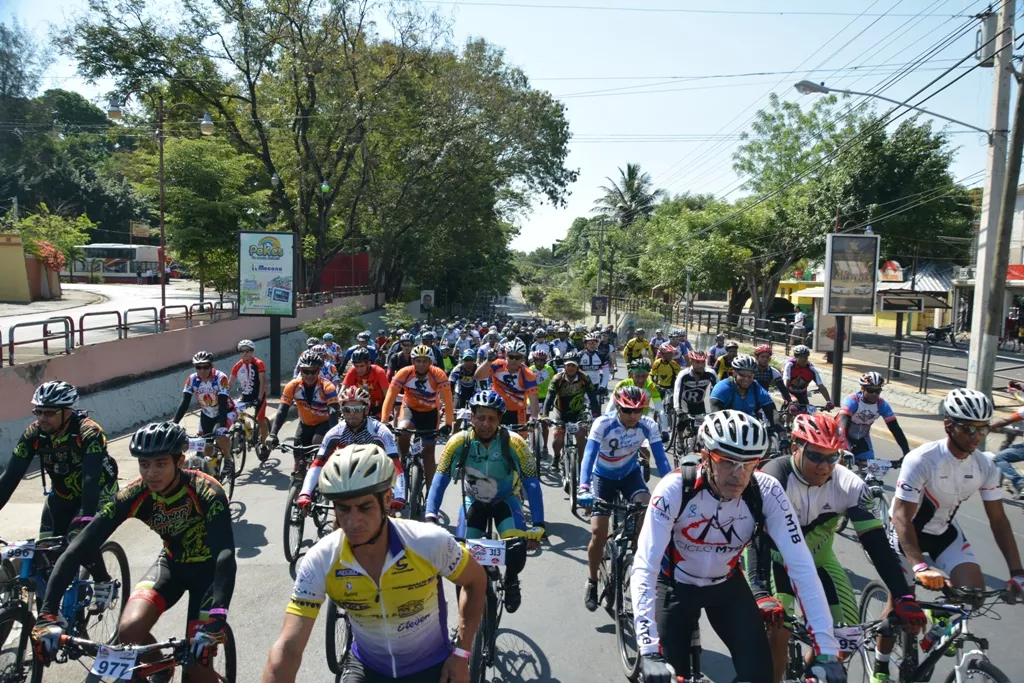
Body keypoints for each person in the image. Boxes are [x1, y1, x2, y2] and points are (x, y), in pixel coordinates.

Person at [632, 411, 845, 683]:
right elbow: (645, 566)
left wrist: (827, 651)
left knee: (760, 676)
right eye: (727, 462)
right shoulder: (675, 488)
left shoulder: (766, 490)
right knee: (666, 676)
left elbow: (802, 566)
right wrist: (649, 649)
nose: (739, 474)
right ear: (706, 456)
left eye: (749, 463)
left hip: (726, 586)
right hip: (675, 586)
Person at [262, 444, 488, 683]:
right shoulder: (321, 559)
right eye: (343, 508)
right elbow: (288, 647)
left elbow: (476, 580)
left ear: (387, 500)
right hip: (368, 667)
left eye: (365, 507)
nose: (352, 521)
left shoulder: (428, 542)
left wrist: (462, 654)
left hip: (430, 665)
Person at [33, 422, 236, 683]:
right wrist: (47, 613)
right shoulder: (135, 493)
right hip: (172, 565)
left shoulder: (207, 491)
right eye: (144, 464)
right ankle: (161, 669)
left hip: (210, 574)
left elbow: (225, 555)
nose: (151, 473)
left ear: (179, 461)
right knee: (128, 630)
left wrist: (217, 617)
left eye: (160, 464)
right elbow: (79, 548)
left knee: (197, 666)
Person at [750, 412, 925, 683]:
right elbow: (756, 539)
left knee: (847, 636)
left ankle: (810, 670)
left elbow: (877, 543)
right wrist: (760, 589)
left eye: (833, 457)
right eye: (816, 456)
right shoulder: (774, 477)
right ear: (796, 447)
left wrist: (903, 596)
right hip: (775, 561)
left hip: (820, 561)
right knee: (778, 630)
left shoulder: (849, 485)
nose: (824, 466)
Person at [882, 388, 1024, 680]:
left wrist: (1017, 572)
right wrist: (920, 566)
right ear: (949, 425)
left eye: (983, 428)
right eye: (969, 428)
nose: (976, 435)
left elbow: (998, 521)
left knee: (974, 595)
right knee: (901, 609)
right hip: (906, 532)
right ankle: (881, 666)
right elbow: (901, 517)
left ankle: (938, 626)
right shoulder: (922, 459)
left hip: (944, 531)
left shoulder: (984, 464)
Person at [425, 390, 545, 613]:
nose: (485, 424)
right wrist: (430, 515)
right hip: (474, 502)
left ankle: (511, 580)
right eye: (480, 417)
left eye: (491, 418)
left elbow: (531, 482)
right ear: (472, 418)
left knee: (517, 547)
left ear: (500, 420)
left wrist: (539, 524)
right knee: (462, 555)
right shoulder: (458, 442)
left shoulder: (515, 442)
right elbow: (439, 478)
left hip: (505, 501)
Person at [0, 381, 118, 569]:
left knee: (77, 542)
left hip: (97, 492)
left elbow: (91, 477)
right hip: (62, 495)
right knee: (44, 554)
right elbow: (11, 476)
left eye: (49, 413)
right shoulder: (34, 433)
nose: (42, 418)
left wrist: (86, 519)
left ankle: (103, 581)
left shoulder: (88, 432)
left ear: (68, 412)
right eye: (38, 412)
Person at [578, 386, 672, 612]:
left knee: (646, 514)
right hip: (602, 478)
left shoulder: (648, 425)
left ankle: (633, 560)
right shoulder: (603, 423)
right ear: (618, 408)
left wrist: (673, 487)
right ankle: (592, 581)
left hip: (630, 475)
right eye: (627, 410)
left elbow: (661, 459)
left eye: (638, 411)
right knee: (598, 533)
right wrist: (583, 488)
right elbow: (589, 456)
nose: (632, 416)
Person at [300, 387, 406, 513]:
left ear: (366, 410)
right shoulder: (335, 432)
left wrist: (399, 496)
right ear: (342, 411)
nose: (352, 414)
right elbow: (319, 463)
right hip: (347, 479)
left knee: (385, 519)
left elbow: (395, 464)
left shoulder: (381, 432)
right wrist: (305, 493)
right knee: (339, 522)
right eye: (347, 409)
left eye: (357, 409)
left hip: (373, 477)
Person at [381, 345, 454, 490]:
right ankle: (402, 461)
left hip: (430, 413)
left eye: (425, 361)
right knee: (403, 431)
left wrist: (449, 424)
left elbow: (448, 401)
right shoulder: (404, 373)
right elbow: (390, 396)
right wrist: (384, 420)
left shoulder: (438, 374)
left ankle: (430, 493)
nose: (421, 364)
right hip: (410, 409)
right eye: (418, 361)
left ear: (430, 362)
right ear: (413, 361)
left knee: (428, 452)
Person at [266, 351, 340, 473]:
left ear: (319, 371)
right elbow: (282, 411)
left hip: (324, 424)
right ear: (300, 370)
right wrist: (273, 434)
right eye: (306, 371)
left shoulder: (327, 387)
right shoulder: (292, 386)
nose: (309, 375)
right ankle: (297, 485)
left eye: (313, 371)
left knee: (317, 441)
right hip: (305, 425)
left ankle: (320, 473)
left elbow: (333, 412)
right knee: (298, 462)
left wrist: (335, 436)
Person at [172, 351, 237, 477]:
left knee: (219, 434)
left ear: (211, 366)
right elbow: (185, 402)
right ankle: (213, 463)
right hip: (207, 414)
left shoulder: (220, 377)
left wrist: (222, 426)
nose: (202, 370)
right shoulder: (192, 379)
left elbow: (223, 403)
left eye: (205, 366)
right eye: (198, 367)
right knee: (205, 446)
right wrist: (174, 423)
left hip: (225, 412)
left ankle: (228, 459)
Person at [838, 372, 911, 470]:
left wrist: (906, 452)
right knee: (841, 464)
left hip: (862, 437)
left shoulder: (881, 405)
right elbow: (843, 424)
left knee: (870, 468)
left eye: (878, 391)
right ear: (863, 388)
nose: (874, 394)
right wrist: (844, 447)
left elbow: (895, 429)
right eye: (871, 390)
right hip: (842, 434)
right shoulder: (853, 400)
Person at [543, 352, 602, 471]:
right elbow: (549, 398)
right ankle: (556, 457)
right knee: (558, 438)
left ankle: (581, 463)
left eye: (573, 366)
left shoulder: (584, 378)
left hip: (578, 413)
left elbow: (592, 397)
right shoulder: (557, 378)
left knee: (581, 436)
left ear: (578, 366)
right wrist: (545, 415)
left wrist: (596, 416)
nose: (570, 368)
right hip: (561, 412)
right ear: (564, 366)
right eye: (568, 365)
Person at [473, 338, 539, 430]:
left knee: (519, 442)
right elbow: (478, 376)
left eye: (518, 357)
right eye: (511, 356)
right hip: (496, 410)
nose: (514, 360)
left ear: (523, 359)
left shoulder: (528, 374)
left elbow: (534, 399)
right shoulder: (497, 364)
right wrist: (488, 361)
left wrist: (534, 418)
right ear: (505, 355)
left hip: (517, 412)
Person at [709, 354, 776, 425]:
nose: (746, 379)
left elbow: (772, 412)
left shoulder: (756, 387)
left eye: (750, 376)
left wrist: (782, 433)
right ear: (734, 373)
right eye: (742, 375)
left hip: (749, 428)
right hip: (726, 427)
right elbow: (716, 416)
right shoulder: (722, 387)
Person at [230, 340, 269, 448]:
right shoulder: (237, 366)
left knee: (260, 419)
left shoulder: (258, 363)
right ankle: (248, 430)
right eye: (241, 351)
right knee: (235, 412)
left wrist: (260, 398)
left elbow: (262, 381)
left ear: (252, 351)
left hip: (259, 395)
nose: (244, 353)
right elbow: (230, 383)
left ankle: (265, 443)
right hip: (245, 395)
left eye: (247, 351)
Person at [342, 347, 390, 419]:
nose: (359, 369)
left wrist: (386, 414)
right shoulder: (352, 371)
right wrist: (342, 410)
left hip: (377, 407)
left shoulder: (379, 372)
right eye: (356, 366)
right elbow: (342, 392)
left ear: (368, 363)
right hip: (359, 407)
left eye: (362, 366)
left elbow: (387, 395)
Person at [783, 345, 833, 410]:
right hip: (788, 391)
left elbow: (821, 387)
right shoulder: (790, 365)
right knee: (794, 404)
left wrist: (829, 401)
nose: (803, 359)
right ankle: (787, 419)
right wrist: (788, 398)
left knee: (807, 411)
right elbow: (785, 385)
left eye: (806, 357)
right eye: (801, 357)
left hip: (802, 393)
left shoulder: (811, 369)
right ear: (796, 357)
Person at [672, 351, 717, 423]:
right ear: (692, 361)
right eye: (698, 362)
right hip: (685, 403)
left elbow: (718, 390)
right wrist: (678, 408)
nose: (700, 365)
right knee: (681, 424)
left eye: (703, 362)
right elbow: (677, 391)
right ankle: (679, 434)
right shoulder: (683, 374)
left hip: (701, 403)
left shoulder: (711, 373)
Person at [529, 350, 556, 457]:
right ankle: (531, 445)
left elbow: (554, 383)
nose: (539, 363)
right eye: (537, 360)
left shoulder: (549, 370)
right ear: (534, 361)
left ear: (545, 361)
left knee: (545, 424)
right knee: (530, 422)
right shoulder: (530, 370)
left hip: (545, 399)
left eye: (542, 360)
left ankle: (544, 446)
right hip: (532, 398)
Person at [752, 344, 791, 409]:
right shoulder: (750, 370)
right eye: (762, 357)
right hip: (749, 398)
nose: (765, 359)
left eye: (767, 357)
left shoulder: (773, 372)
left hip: (764, 399)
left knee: (775, 417)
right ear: (757, 358)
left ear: (770, 359)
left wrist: (789, 401)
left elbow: (782, 389)